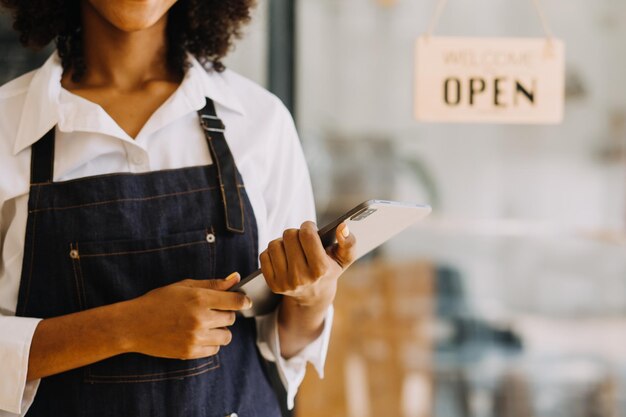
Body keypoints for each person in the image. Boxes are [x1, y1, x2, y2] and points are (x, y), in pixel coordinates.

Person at [0, 1, 356, 416]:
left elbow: (283, 346)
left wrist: (313, 294)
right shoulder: (8, 125)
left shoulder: (260, 122)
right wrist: (126, 328)